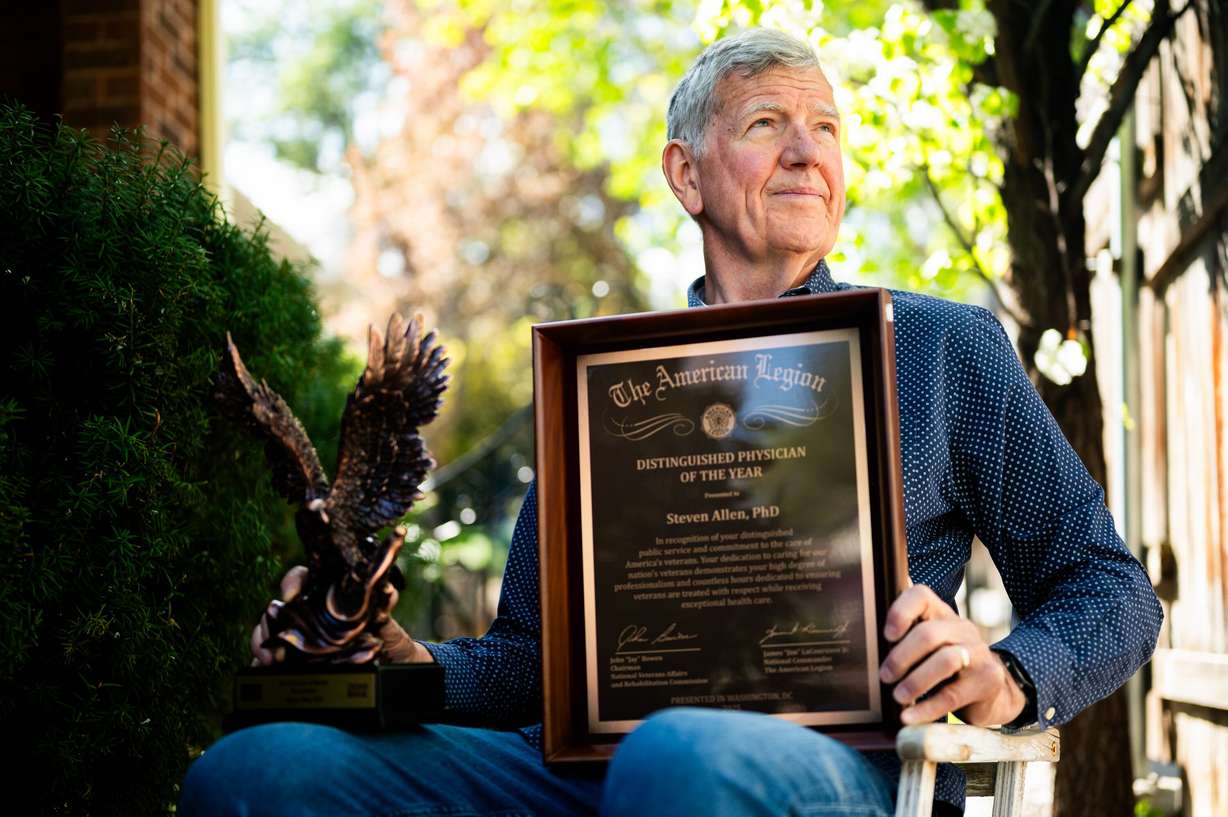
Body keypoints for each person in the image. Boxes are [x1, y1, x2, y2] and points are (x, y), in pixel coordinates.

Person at [180, 28, 1162, 817]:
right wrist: (406, 658)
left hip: (837, 772)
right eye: (767, 122)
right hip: (578, 773)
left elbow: (1111, 590)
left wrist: (1003, 673)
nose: (805, 150)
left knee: (678, 754)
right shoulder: (603, 384)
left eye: (825, 126)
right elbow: (531, 660)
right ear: (685, 176)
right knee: (262, 768)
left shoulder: (945, 350)